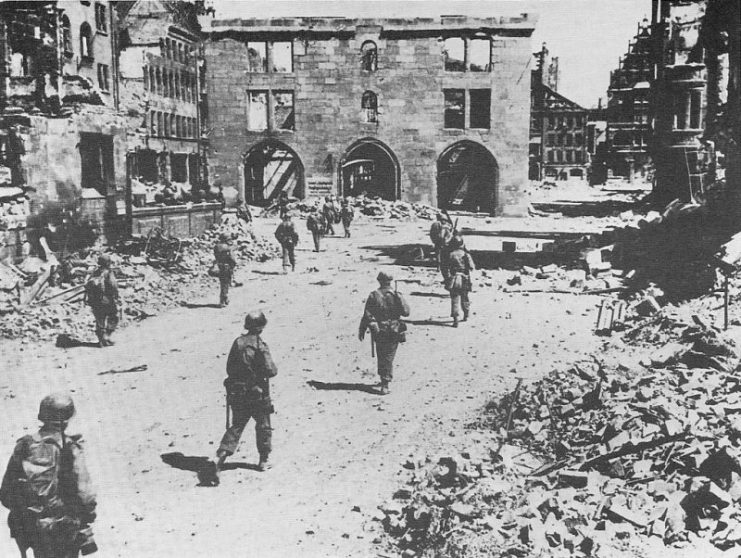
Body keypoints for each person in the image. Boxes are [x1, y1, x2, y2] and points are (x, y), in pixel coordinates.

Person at [1, 393, 97, 558]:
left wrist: (27, 514)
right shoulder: (71, 448)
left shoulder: (24, 445)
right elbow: (85, 495)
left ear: (42, 416)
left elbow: (6, 493)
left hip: (30, 526)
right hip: (63, 527)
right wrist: (85, 521)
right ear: (66, 420)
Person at [214, 311, 277, 481]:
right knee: (263, 425)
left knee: (237, 425)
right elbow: (271, 370)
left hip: (238, 392)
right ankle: (263, 461)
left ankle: (220, 456)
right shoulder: (260, 345)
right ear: (262, 327)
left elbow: (229, 368)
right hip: (257, 393)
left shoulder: (238, 342)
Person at [358, 272, 410, 395]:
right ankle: (385, 382)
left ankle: (384, 380)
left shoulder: (373, 295)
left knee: (382, 355)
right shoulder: (397, 295)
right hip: (394, 330)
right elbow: (406, 312)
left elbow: (367, 315)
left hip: (380, 331)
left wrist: (362, 329)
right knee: (389, 356)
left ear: (379, 281)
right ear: (390, 281)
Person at [84, 254, 119, 347]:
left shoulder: (95, 272)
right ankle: (107, 336)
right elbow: (113, 285)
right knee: (113, 317)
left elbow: (87, 284)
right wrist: (116, 295)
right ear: (108, 263)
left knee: (100, 320)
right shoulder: (108, 272)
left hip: (95, 300)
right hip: (107, 300)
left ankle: (101, 341)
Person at [443, 233, 475, 327]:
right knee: (465, 297)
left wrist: (448, 278)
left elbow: (445, 267)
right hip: (464, 278)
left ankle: (455, 318)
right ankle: (466, 314)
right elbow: (472, 267)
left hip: (453, 278)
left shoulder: (450, 254)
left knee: (454, 299)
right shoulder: (465, 254)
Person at [213, 233, 237, 307]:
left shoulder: (216, 247)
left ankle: (225, 299)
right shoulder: (228, 248)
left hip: (220, 266)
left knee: (222, 283)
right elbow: (232, 258)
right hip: (227, 267)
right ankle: (222, 301)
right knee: (226, 284)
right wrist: (234, 265)